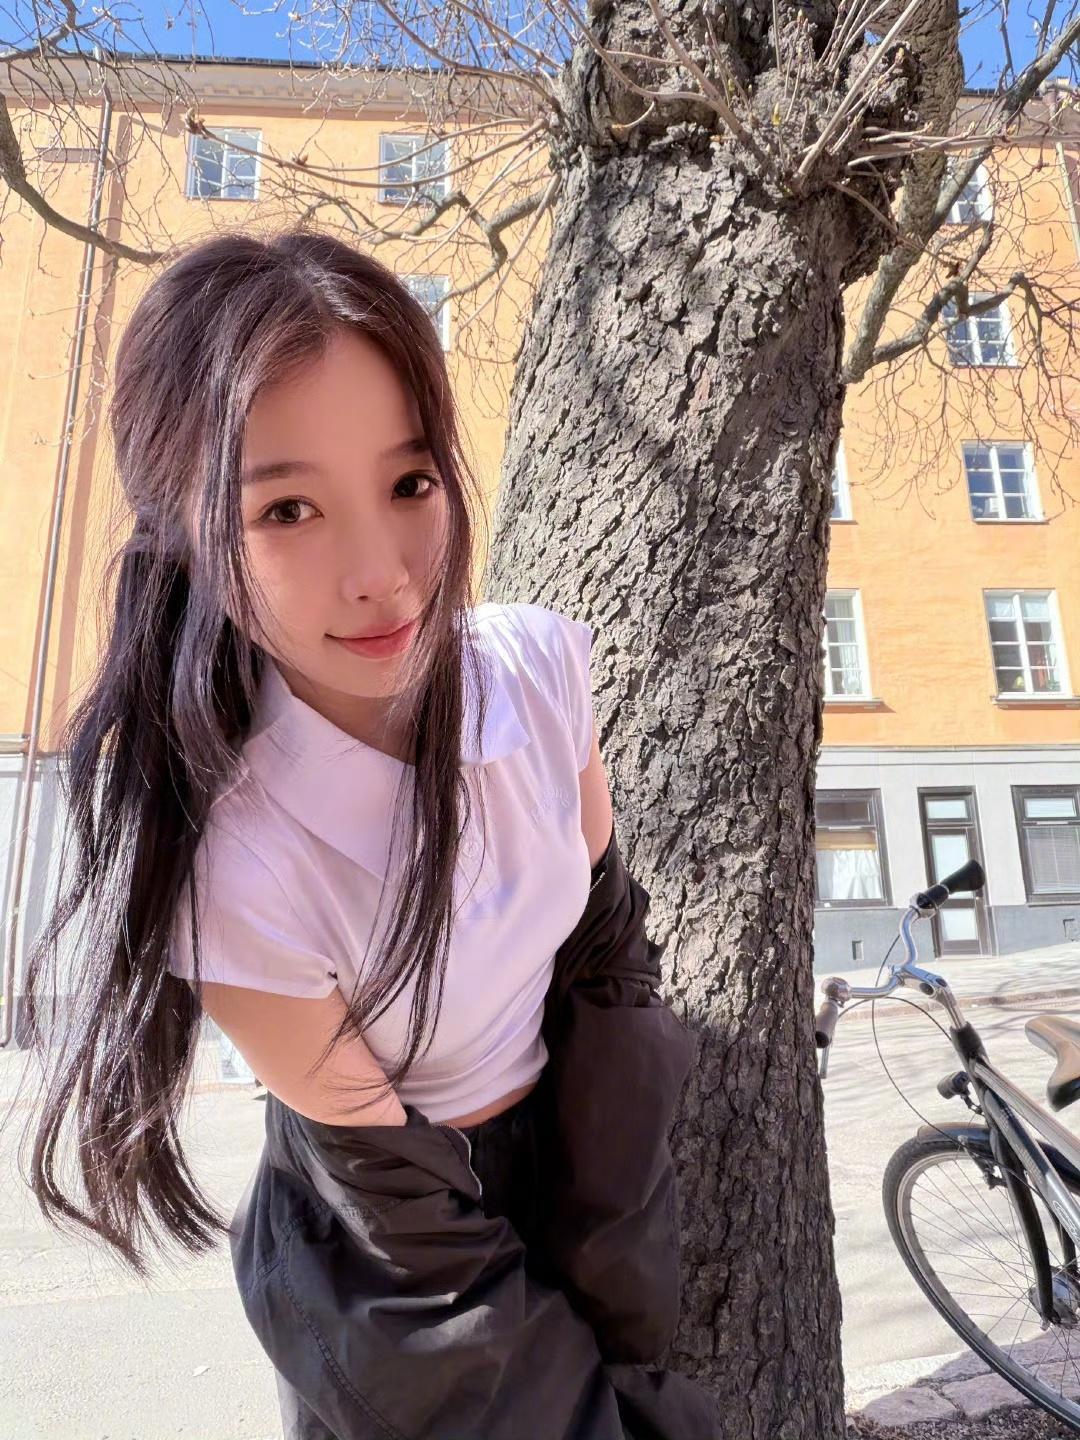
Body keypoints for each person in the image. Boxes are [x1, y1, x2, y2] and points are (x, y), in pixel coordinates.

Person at [14, 228, 713, 1436]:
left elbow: (607, 947)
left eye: (410, 484)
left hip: (582, 1138)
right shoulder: (240, 867)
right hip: (390, 1244)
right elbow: (412, 1233)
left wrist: (615, 1224)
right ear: (187, 538)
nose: (382, 574)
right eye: (288, 509)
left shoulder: (538, 672)